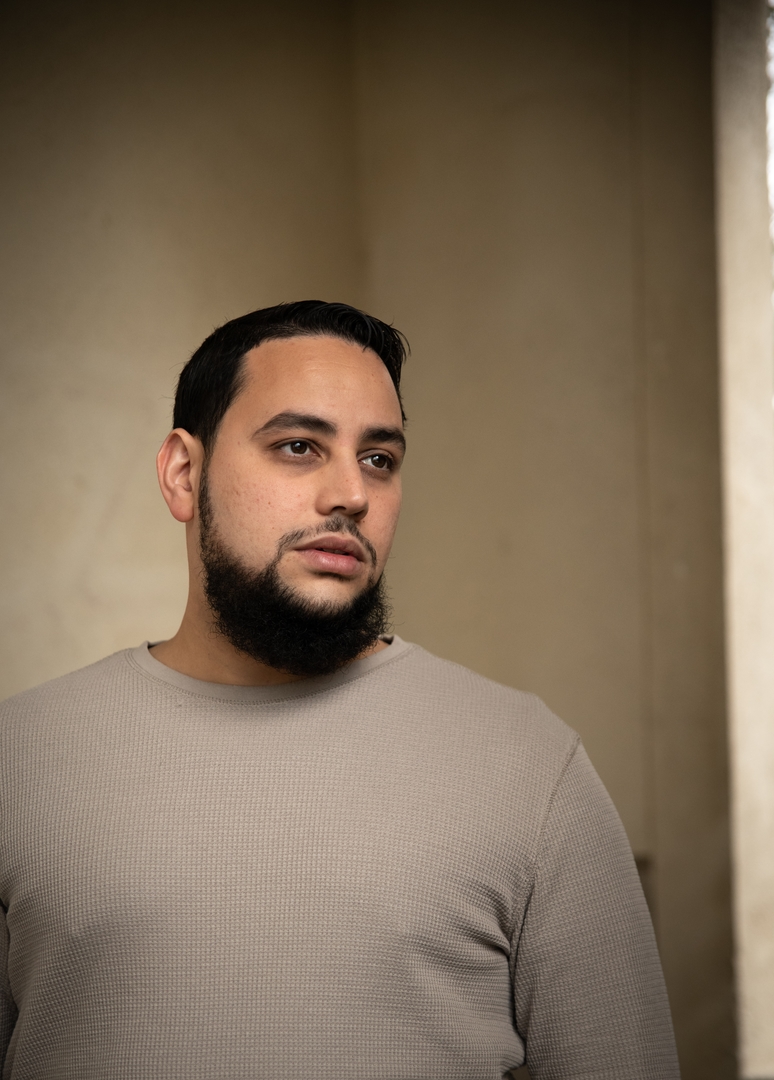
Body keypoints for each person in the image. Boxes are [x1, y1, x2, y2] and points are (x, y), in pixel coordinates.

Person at [0, 301, 679, 1079]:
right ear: (183, 474)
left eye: (380, 459)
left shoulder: (531, 766)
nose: (351, 493)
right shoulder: (21, 759)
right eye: (298, 446)